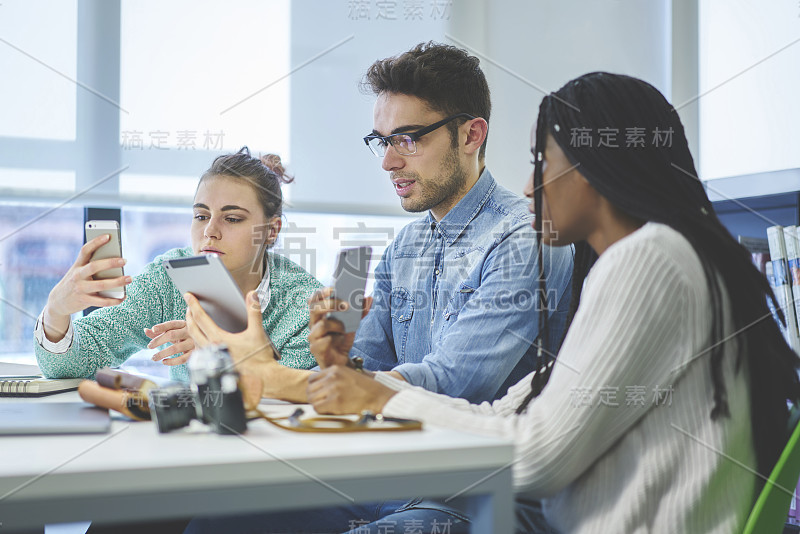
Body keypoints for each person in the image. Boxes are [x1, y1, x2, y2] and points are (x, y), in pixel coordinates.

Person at [302, 72, 800, 533]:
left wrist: (382, 396)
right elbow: (507, 414)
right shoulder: (646, 259)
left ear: (594, 166)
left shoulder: (652, 258)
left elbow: (537, 460)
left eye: (541, 160)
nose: (527, 184)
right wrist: (363, 381)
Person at [183, 42, 573, 533]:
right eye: (381, 141)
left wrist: (274, 377)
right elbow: (362, 374)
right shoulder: (404, 246)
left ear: (471, 134)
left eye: (407, 139)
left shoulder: (527, 240)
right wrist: (336, 356)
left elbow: (454, 384)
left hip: (468, 500)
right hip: (380, 480)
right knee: (213, 523)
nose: (388, 162)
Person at [34, 147, 322, 384]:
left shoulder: (305, 303)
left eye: (232, 218)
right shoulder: (167, 277)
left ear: (271, 231)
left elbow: (301, 395)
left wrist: (221, 355)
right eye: (200, 216)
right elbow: (70, 364)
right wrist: (56, 312)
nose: (210, 231)